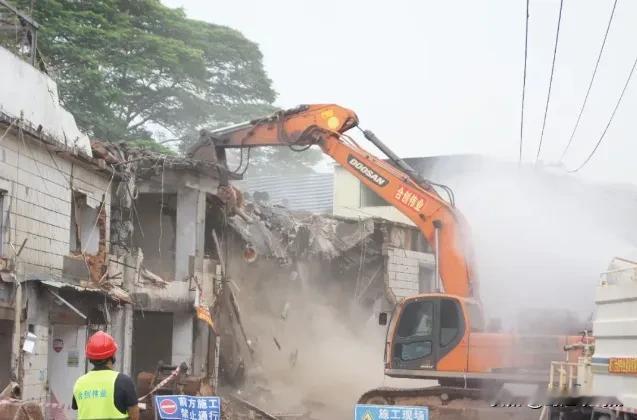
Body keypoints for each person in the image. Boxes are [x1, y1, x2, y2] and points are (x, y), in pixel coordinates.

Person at [72, 331, 139, 420]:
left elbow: (79, 408)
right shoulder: (123, 381)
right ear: (112, 355)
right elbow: (134, 416)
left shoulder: (79, 382)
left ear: (90, 357)